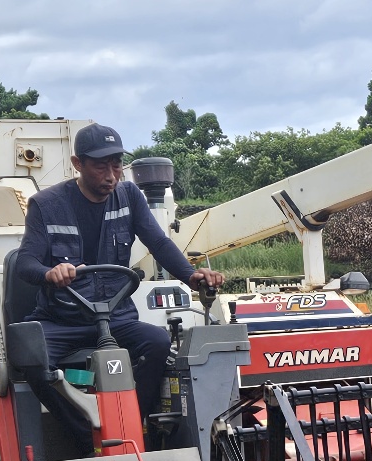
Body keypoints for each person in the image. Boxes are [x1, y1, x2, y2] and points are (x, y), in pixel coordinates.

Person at [13, 122, 223, 441]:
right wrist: (49, 273)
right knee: (30, 357)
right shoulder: (46, 205)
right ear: (77, 165)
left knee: (157, 343)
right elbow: (25, 262)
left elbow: (159, 243)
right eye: (100, 166)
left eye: (116, 164)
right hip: (62, 320)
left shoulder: (129, 196)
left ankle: (132, 428)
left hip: (115, 319)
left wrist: (191, 276)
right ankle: (85, 433)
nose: (111, 175)